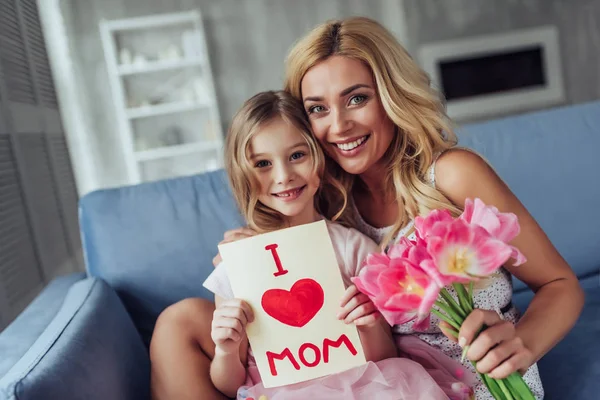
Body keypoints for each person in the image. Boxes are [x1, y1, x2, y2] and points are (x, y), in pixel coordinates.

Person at [150, 17, 584, 400]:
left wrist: (523, 340)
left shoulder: (451, 175)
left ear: (391, 96)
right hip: (363, 378)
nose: (339, 126)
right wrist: (253, 249)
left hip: (470, 380)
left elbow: (561, 283)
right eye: (317, 109)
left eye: (356, 99)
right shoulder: (326, 197)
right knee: (180, 322)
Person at [205, 90, 473, 399]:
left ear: (319, 158)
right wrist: (226, 348)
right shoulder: (239, 262)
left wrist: (369, 323)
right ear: (242, 174)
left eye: (297, 156)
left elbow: (385, 358)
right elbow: (229, 383)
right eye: (263, 163)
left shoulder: (353, 248)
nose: (284, 176)